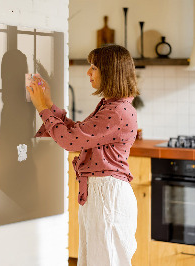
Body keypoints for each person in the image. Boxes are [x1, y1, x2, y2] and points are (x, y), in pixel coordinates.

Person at [26, 44, 139, 266]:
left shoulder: (116, 111)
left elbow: (70, 141)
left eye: (94, 67)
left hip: (107, 196)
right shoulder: (112, 106)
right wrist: (48, 104)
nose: (88, 72)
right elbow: (78, 133)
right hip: (101, 194)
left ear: (110, 71)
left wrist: (42, 108)